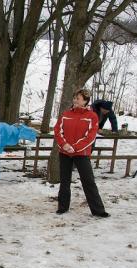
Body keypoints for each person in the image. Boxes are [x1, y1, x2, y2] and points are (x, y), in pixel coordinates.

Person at [54, 88, 110, 218]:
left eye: (78, 99)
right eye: (74, 98)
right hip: (65, 152)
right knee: (64, 181)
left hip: (82, 153)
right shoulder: (66, 114)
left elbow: (90, 136)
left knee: (88, 181)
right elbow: (58, 130)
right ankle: (62, 207)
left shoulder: (92, 116)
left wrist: (74, 147)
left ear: (85, 101)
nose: (75, 100)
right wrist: (64, 145)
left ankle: (98, 210)